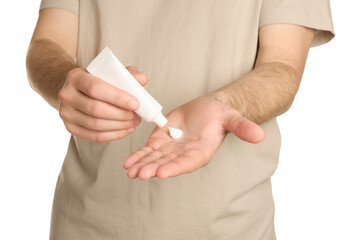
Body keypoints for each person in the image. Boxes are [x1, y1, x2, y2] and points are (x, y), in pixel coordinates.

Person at [26, 0, 334, 239]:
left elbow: (282, 66)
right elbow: (46, 46)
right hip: (85, 223)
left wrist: (224, 103)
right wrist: (67, 82)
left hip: (230, 228)